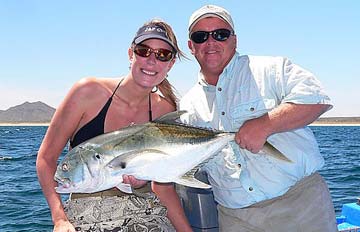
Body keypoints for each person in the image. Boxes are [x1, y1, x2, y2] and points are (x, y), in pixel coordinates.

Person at [179, 4, 337, 232]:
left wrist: (266, 124)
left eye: (220, 34)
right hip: (235, 218)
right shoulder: (188, 104)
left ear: (235, 40)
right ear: (191, 46)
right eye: (201, 36)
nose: (211, 42)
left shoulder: (271, 69)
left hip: (300, 205)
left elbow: (317, 99)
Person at [36, 19, 193, 232]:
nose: (151, 61)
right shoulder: (87, 92)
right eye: (143, 50)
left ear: (170, 64)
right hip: (87, 215)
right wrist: (60, 219)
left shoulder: (163, 110)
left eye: (162, 54)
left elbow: (163, 188)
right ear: (131, 54)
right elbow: (46, 159)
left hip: (147, 214)